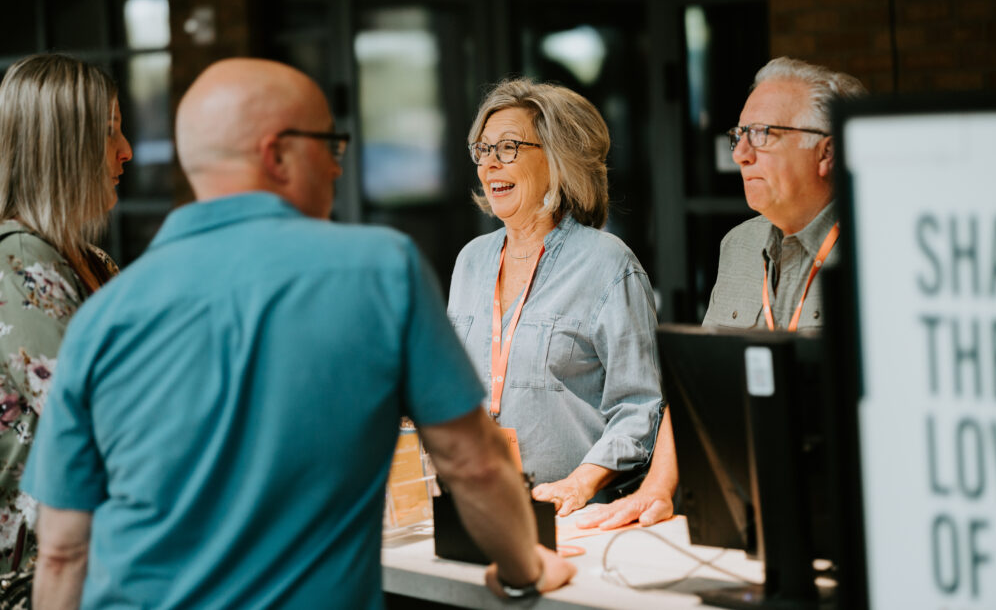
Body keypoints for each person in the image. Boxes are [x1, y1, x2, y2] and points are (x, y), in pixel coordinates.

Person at [20, 59, 574, 608]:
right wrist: (525, 567)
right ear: (278, 153)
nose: (337, 168)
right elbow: (472, 462)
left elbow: (63, 553)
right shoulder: (380, 271)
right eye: (331, 146)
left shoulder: (102, 313)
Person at [578, 56, 867, 530]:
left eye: (762, 135)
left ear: (827, 152)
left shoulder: (884, 250)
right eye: (739, 136)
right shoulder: (739, 245)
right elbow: (695, 390)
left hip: (850, 516)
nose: (740, 155)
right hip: (748, 512)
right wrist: (655, 489)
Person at [447, 78, 662, 516]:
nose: (490, 164)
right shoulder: (470, 260)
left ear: (557, 159)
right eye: (482, 150)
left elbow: (642, 408)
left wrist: (579, 484)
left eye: (507, 147)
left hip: (572, 515)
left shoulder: (607, 262)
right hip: (478, 507)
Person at [0, 53, 132, 575]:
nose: (125, 153)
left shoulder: (93, 262)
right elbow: (104, 419)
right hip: (43, 577)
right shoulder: (18, 260)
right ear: (58, 148)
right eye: (107, 133)